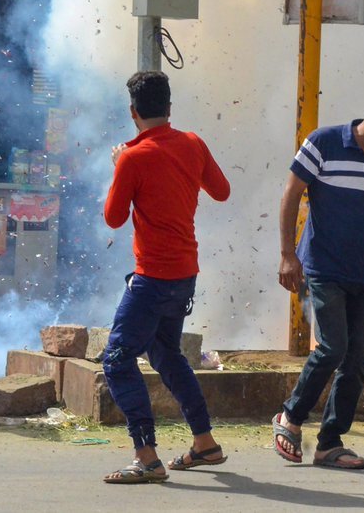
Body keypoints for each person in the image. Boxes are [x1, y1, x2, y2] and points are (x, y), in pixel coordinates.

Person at [273, 91, 364, 470]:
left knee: (356, 361)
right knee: (333, 348)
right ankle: (289, 416)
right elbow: (291, 193)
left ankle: (329, 443)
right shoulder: (323, 142)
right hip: (323, 269)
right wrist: (288, 255)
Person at [100, 70, 231, 484]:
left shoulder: (134, 157)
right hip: (184, 274)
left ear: (133, 113)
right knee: (165, 354)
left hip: (153, 276)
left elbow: (113, 217)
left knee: (118, 360)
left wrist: (119, 164)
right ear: (169, 108)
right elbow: (222, 191)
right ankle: (205, 443)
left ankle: (146, 456)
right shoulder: (192, 143)